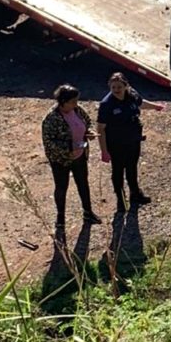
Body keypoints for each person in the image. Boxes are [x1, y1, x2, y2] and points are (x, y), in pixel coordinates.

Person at [97, 72, 166, 213]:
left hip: (133, 140)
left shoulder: (131, 94)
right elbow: (100, 128)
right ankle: (121, 200)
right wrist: (104, 150)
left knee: (132, 168)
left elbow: (140, 103)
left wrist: (156, 106)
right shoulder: (106, 104)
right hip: (116, 144)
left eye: (119, 87)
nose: (116, 90)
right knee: (118, 172)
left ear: (126, 86)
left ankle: (135, 194)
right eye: (113, 87)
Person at [41, 84, 101, 233]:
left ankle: (88, 212)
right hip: (61, 159)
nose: (76, 104)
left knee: (83, 183)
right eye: (72, 101)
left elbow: (87, 122)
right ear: (63, 101)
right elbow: (49, 141)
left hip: (80, 155)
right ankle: (60, 219)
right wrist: (68, 148)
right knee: (61, 187)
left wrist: (89, 132)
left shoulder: (77, 110)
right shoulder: (51, 118)